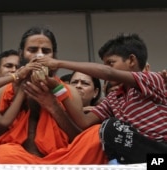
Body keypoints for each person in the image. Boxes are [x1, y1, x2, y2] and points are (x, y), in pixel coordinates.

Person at [36, 33, 167, 164]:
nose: (106, 69)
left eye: (111, 63)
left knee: (110, 127)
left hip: (161, 152)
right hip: (142, 159)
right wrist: (58, 89)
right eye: (104, 65)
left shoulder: (152, 79)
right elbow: (84, 122)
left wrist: (59, 63)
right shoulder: (113, 98)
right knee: (106, 129)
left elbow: (108, 73)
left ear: (131, 61)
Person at [0, 26, 108, 164]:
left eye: (46, 51)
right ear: (21, 54)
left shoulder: (69, 91)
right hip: (19, 159)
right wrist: (18, 94)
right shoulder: (4, 90)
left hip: (62, 159)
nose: (39, 56)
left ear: (54, 56)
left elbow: (77, 137)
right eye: (32, 50)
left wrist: (53, 106)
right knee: (3, 153)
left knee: (95, 134)